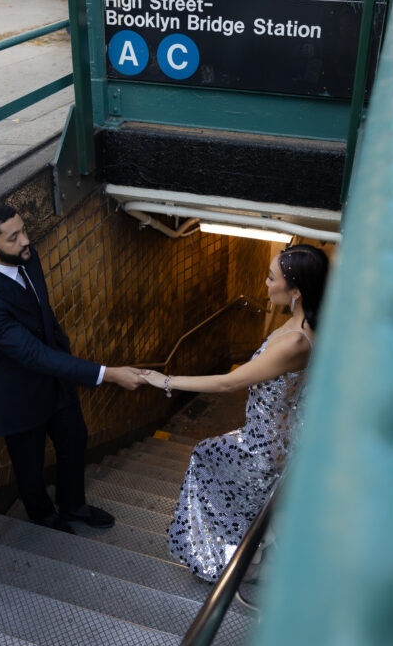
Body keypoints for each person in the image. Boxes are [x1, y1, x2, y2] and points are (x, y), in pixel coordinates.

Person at [141, 244, 329, 582]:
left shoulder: (296, 341)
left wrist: (165, 381)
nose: (266, 283)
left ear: (296, 290)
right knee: (235, 483)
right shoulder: (301, 323)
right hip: (275, 432)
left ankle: (233, 561)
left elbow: (228, 384)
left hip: (265, 445)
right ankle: (252, 551)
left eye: (273, 278)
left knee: (204, 457)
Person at [0, 202, 144, 533]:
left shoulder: (27, 258)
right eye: (13, 237)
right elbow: (30, 353)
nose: (25, 241)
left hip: (55, 378)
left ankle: (74, 505)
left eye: (23, 231)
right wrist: (108, 374)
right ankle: (43, 516)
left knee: (74, 440)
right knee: (29, 464)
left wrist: (62, 349)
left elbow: (43, 315)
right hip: (16, 392)